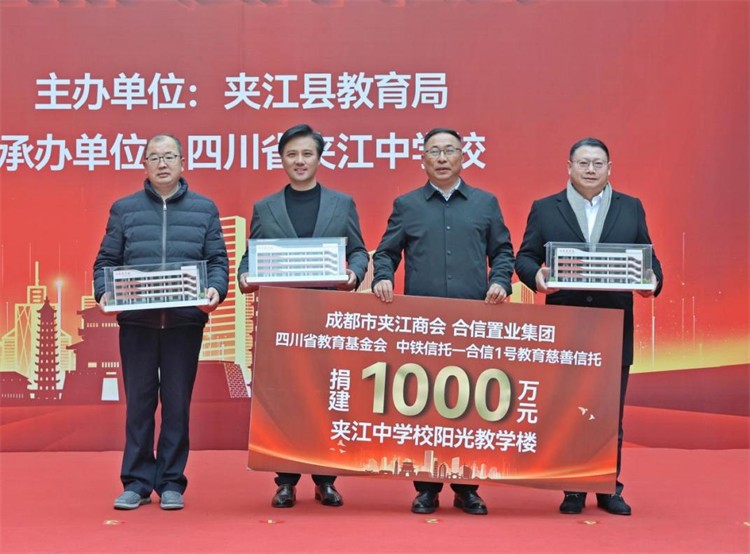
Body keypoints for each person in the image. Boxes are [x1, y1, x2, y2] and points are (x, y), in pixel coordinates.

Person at [514, 137, 663, 516]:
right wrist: (538, 278)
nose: (591, 169)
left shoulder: (631, 207)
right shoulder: (545, 208)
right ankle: (573, 488)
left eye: (598, 163)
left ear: (609, 168)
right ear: (569, 167)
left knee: (610, 412)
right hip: (568, 323)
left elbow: (649, 259)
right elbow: (525, 257)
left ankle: (608, 486)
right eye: (583, 163)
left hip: (614, 324)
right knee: (570, 409)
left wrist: (652, 281)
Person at [371, 127, 515, 515]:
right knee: (426, 404)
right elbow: (385, 253)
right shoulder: (407, 205)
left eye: (449, 150)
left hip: (474, 322)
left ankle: (467, 487)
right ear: (423, 159)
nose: (442, 158)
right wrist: (383, 276)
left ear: (463, 157)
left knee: (471, 404)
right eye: (434, 151)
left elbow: (503, 252)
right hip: (425, 325)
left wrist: (501, 281)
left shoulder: (485, 203)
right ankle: (427, 488)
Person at [93, 134, 229, 511]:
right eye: (154, 157)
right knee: (139, 404)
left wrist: (216, 289)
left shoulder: (204, 209)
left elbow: (217, 261)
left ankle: (171, 481)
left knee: (176, 404)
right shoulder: (124, 209)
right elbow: (106, 262)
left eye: (169, 156)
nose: (162, 163)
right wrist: (104, 292)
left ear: (183, 162)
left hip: (184, 323)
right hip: (137, 323)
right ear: (145, 165)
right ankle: (136, 482)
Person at [238, 124, 369, 509]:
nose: (299, 161)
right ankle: (285, 480)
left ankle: (326, 479)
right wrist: (244, 275)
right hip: (283, 316)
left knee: (326, 395)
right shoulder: (265, 207)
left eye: (307, 154)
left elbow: (358, 250)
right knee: (285, 398)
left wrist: (354, 273)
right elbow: (251, 255)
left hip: (328, 315)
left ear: (318, 158)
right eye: (292, 154)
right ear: (282, 159)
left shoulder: (341, 203)